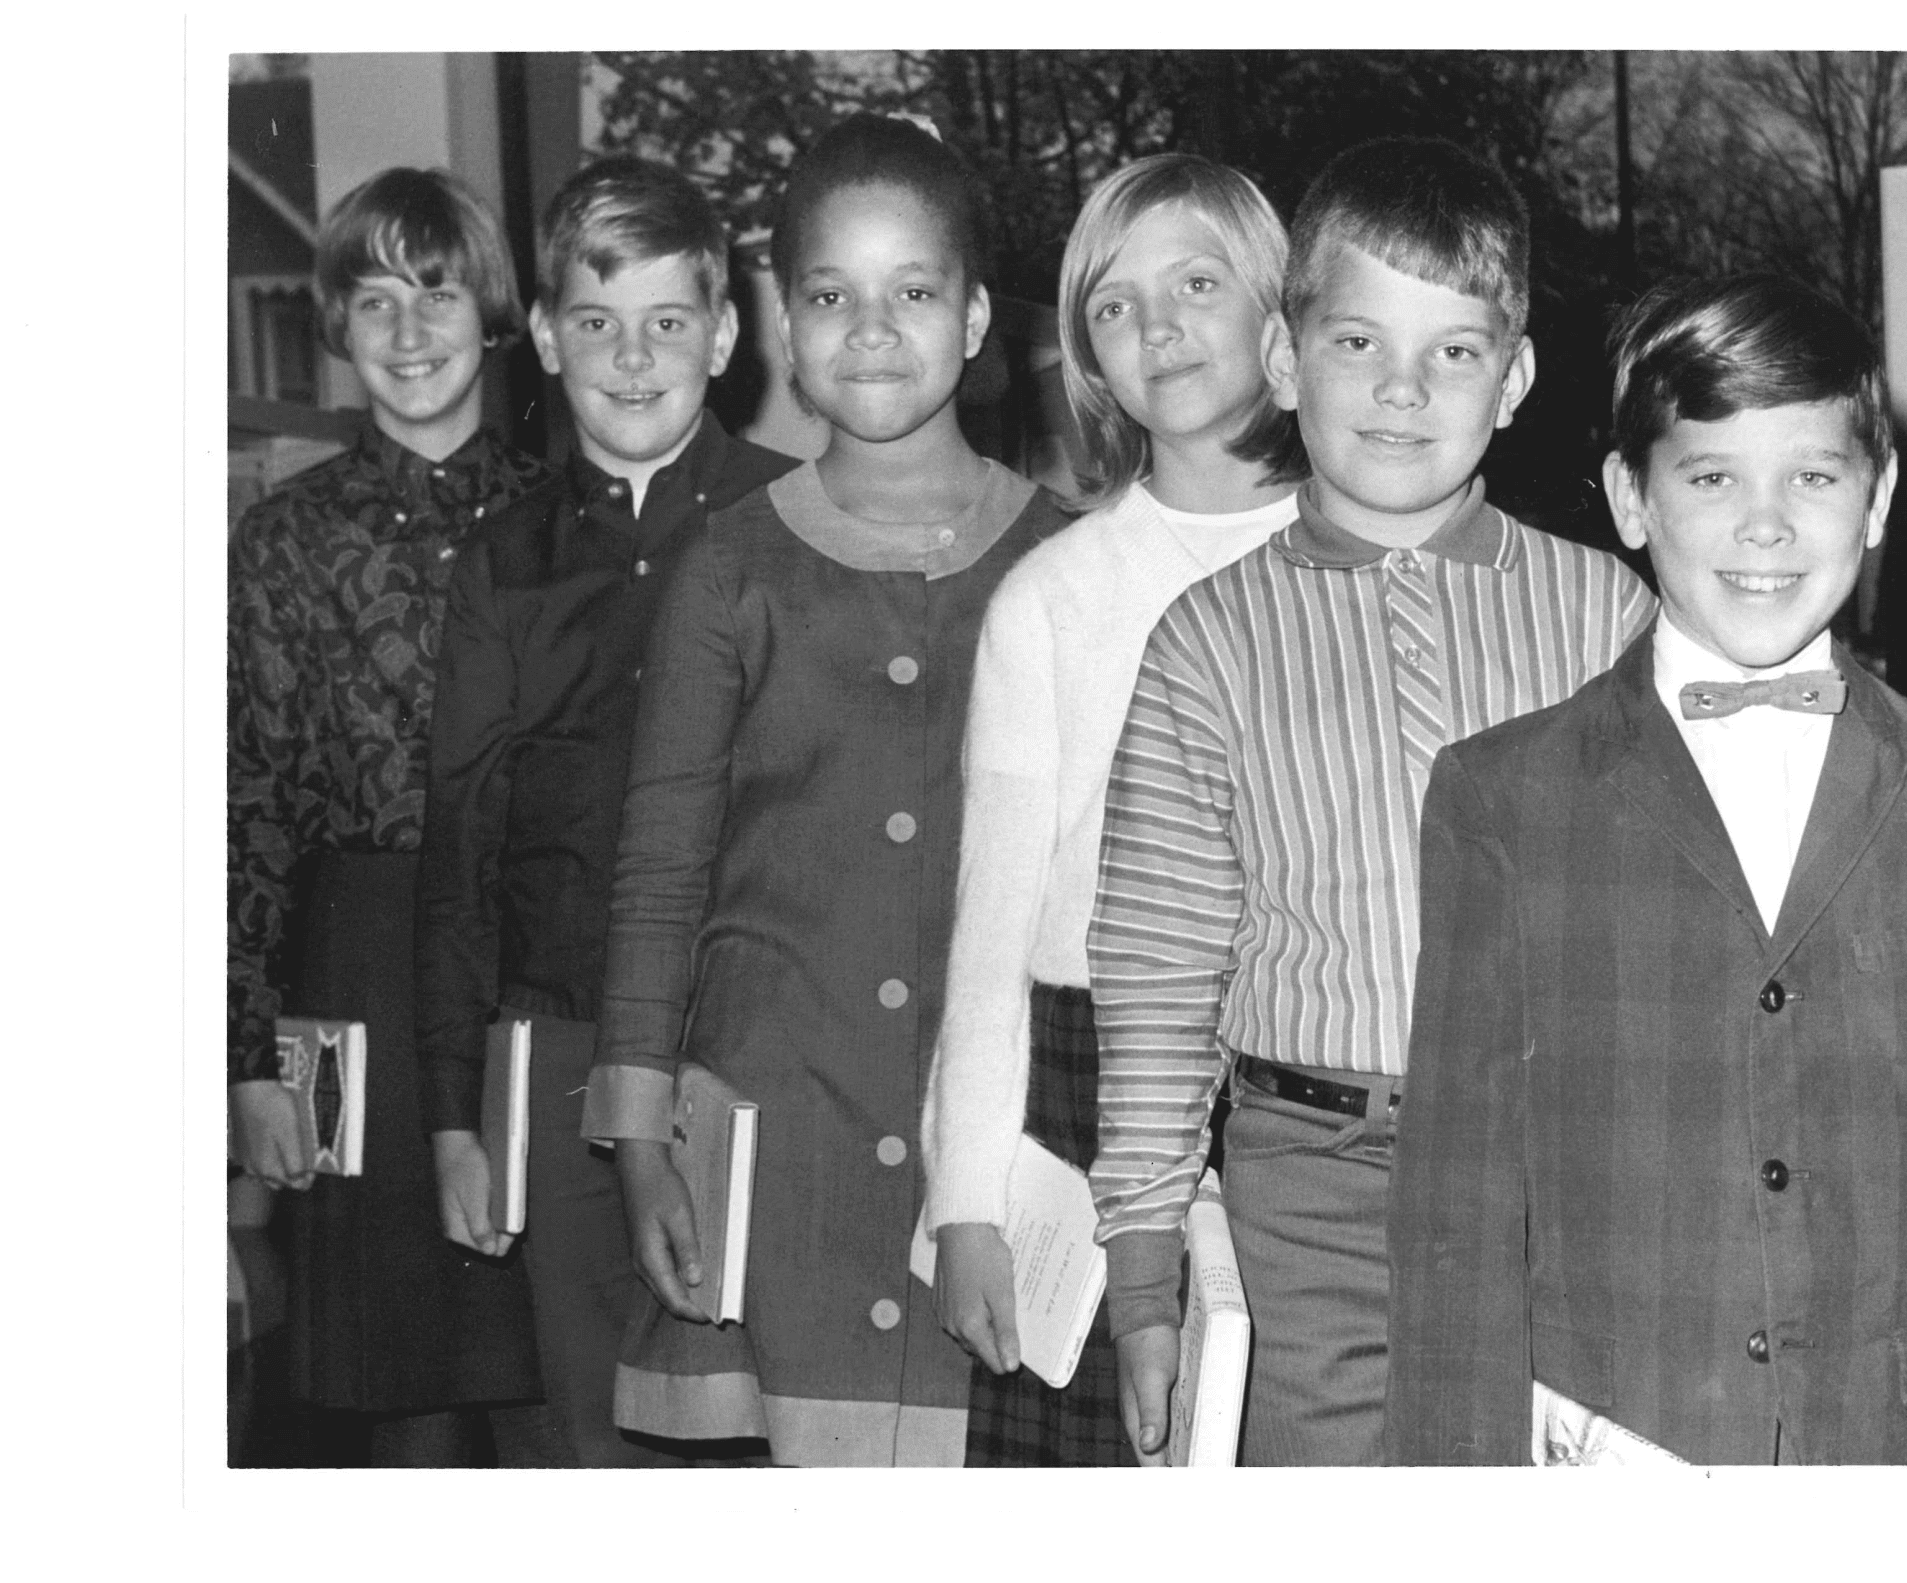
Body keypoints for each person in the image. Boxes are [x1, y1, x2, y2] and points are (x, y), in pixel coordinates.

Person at [1086, 136, 1657, 1466]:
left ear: (1511, 378)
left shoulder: (1611, 616)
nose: (1403, 390)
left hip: (1556, 1171)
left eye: (1453, 352)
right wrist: (1143, 1275)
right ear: (1286, 363)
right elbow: (1158, 970)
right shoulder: (1205, 641)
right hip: (1306, 1185)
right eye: (1358, 343)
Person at [1384, 274, 1907, 1466]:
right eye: (1709, 476)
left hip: (1897, 1450)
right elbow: (1455, 1215)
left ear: (1873, 502)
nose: (1762, 525)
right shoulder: (1501, 798)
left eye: (1812, 477)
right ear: (1629, 496)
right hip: (1616, 1446)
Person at [579, 113, 1068, 1466]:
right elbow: (660, 858)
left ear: (975, 317)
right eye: (829, 295)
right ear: (782, 324)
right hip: (772, 1129)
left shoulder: (1066, 560)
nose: (870, 328)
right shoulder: (728, 564)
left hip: (997, 1149)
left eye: (912, 291)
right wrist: (636, 1136)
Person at [918, 154, 1302, 1467]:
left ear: (1278, 309)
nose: (1161, 325)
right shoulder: (1051, 595)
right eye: (1117, 304)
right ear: (1086, 351)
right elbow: (992, 930)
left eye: (1198, 282)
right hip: (1090, 1093)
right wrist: (965, 1190)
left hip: (1312, 1087)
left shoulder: (1368, 562)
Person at [414, 154, 796, 1467]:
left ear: (727, 333)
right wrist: (457, 1116)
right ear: (544, 337)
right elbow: (460, 847)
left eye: (668, 322)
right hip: (562, 1053)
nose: (632, 359)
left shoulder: (790, 520)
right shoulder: (503, 561)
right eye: (595, 321)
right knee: (589, 1443)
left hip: (754, 1053)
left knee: (754, 1442)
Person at [227, 167, 554, 1466]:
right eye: (373, 299)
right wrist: (249, 1058)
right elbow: (246, 798)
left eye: (436, 293)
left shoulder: (567, 515)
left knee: (545, 1368)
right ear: (337, 328)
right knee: (402, 1383)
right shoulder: (283, 537)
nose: (409, 330)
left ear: (491, 316)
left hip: (535, 962)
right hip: (357, 970)